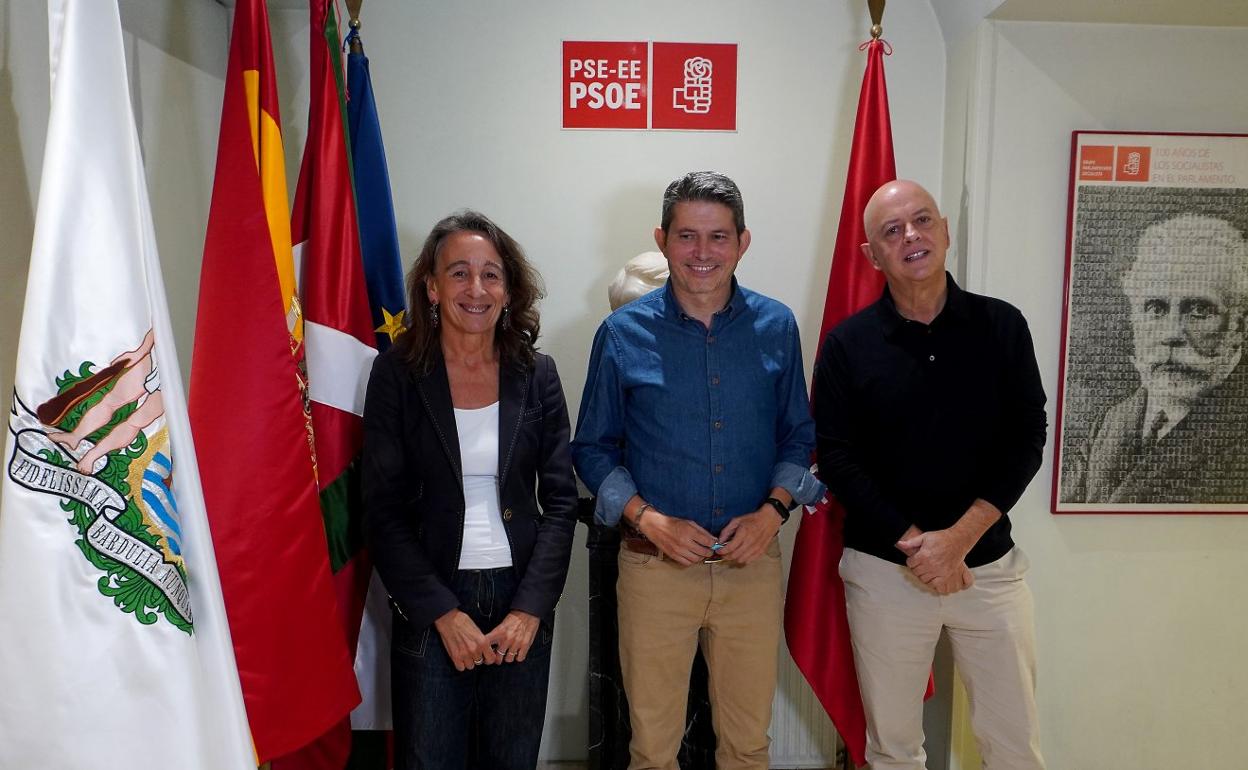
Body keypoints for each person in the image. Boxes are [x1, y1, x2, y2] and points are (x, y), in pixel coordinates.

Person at [572, 171, 824, 770]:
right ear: (662, 239)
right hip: (654, 571)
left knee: (747, 747)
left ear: (743, 242)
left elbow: (799, 436)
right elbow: (591, 448)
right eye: (687, 236)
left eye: (718, 237)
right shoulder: (621, 334)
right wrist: (648, 519)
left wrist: (775, 511)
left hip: (751, 570)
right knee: (652, 751)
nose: (702, 253)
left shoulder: (777, 327)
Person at [813, 179, 1047, 769]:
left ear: (944, 230)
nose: (910, 236)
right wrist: (919, 545)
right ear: (872, 255)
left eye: (921, 221)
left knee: (1014, 743)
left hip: (989, 569)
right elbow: (836, 456)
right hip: (886, 571)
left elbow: (1027, 438)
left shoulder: (1003, 326)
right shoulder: (847, 345)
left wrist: (958, 540)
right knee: (893, 750)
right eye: (891, 231)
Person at [362, 211, 577, 770]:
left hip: (519, 598)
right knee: (429, 757)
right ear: (432, 287)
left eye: (491, 274)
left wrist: (531, 608)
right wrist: (441, 612)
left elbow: (559, 503)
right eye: (459, 273)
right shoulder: (397, 375)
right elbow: (381, 510)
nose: (476, 289)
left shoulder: (538, 373)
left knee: (511, 757)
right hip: (434, 595)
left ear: (509, 289)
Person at [1063, 213, 1248, 504]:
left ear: (1238, 326)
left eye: (1199, 310)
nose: (1171, 333)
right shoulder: (1111, 422)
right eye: (1155, 308)